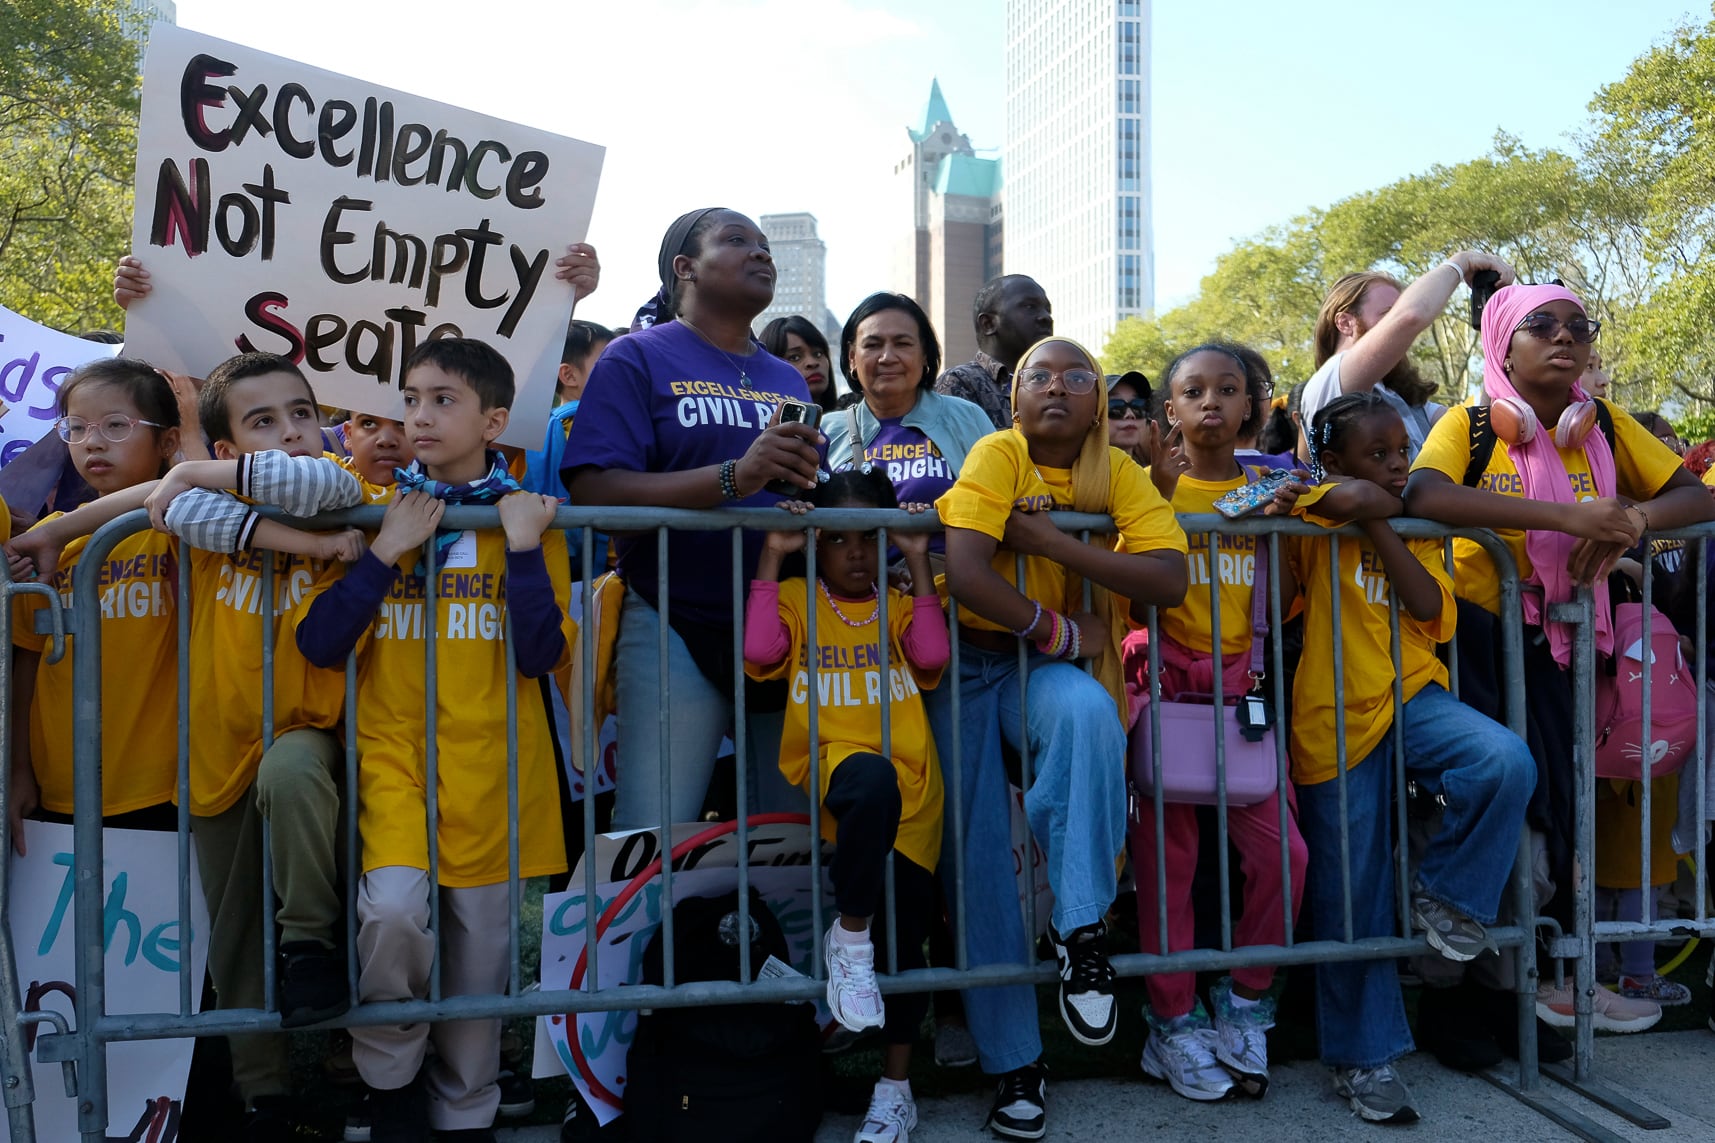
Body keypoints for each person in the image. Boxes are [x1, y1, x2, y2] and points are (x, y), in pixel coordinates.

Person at [11, 351, 371, 1137]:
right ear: (226, 445)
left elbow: (309, 485)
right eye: (263, 421)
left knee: (300, 802)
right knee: (228, 942)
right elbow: (167, 502)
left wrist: (201, 472)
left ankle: (315, 965)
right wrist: (76, 522)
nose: (290, 432)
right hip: (205, 760)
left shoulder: (349, 493)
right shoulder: (187, 522)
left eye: (302, 414)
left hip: (292, 742)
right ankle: (261, 1094)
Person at [1405, 282, 1713, 1035]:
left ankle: (1550, 983)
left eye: (1577, 325)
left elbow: (1696, 496)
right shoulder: (1471, 424)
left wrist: (1632, 515)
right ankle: (1476, 990)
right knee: (1521, 815)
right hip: (1482, 647)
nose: (1563, 336)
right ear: (1501, 344)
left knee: (1564, 820)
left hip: (1574, 648)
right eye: (1540, 325)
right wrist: (1565, 517)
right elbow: (1423, 494)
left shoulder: (1600, 423)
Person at [295, 338, 573, 1141]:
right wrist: (385, 552)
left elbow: (540, 655)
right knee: (389, 912)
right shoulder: (371, 511)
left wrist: (522, 548)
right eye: (411, 397)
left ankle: (465, 1112)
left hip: (492, 767)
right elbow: (318, 646)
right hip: (394, 758)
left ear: (492, 419)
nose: (418, 415)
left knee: (481, 952)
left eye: (441, 399)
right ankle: (389, 1084)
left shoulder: (528, 518)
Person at [936, 336, 1188, 1140]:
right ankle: (1014, 1063)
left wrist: (1048, 543)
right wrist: (1052, 627)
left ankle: (1080, 927)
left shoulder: (1114, 471)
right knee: (976, 856)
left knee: (1085, 712)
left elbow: (1169, 578)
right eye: (1037, 375)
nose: (1056, 388)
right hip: (965, 660)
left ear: (1096, 403)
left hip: (1036, 668)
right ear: (1012, 397)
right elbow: (968, 567)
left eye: (1077, 377)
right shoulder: (995, 451)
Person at [1293, 391, 1534, 1123]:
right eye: (1379, 454)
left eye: (1403, 450)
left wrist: (1375, 514)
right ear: (1333, 460)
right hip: (1331, 718)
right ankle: (1363, 1060)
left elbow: (1429, 606)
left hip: (1414, 696)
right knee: (1351, 896)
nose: (1398, 465)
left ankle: (1447, 896)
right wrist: (1354, 501)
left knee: (1503, 760)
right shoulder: (1312, 502)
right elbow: (1324, 500)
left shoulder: (1412, 518)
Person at [563, 207, 819, 834]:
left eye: (764, 245)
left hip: (779, 618)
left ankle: (777, 938)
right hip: (671, 614)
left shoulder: (786, 377)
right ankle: (639, 937)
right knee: (656, 826)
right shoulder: (635, 358)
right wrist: (736, 477)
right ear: (685, 268)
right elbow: (595, 486)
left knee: (788, 829)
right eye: (736, 241)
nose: (760, 253)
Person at [1128, 344, 1308, 1103]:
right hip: (1165, 692)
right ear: (1169, 411)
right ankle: (1169, 1025)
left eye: (1226, 390)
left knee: (1285, 857)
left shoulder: (1272, 487)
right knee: (1166, 870)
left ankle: (1242, 1006)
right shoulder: (1146, 490)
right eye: (1192, 391)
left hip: (1245, 696)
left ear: (1249, 408)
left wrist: (1288, 524)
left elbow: (1293, 592)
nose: (1210, 402)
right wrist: (1155, 494)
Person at [745, 468, 947, 1143]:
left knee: (907, 938)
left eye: (870, 539)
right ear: (815, 543)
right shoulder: (800, 598)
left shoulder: (895, 601)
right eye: (836, 540)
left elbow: (930, 655)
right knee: (867, 778)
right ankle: (849, 937)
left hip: (915, 791)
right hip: (840, 773)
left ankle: (894, 1089)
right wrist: (773, 553)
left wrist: (917, 560)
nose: (856, 553)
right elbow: (759, 650)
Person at [9, 360, 184, 851]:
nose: (93, 442)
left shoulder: (182, 526)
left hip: (166, 787)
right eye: (77, 427)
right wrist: (19, 771)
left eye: (116, 426)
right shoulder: (47, 546)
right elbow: (26, 663)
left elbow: (194, 483)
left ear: (168, 441)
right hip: (61, 788)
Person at [1301, 253, 1516, 460]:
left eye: (1396, 313)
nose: (1399, 327)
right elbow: (1410, 316)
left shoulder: (1410, 405)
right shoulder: (1331, 383)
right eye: (1387, 314)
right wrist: (1462, 262)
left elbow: (1478, 428)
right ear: (1345, 323)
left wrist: (1495, 324)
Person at [823, 291, 994, 537]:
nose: (887, 357)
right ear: (852, 358)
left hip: (951, 573)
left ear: (924, 354)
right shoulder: (826, 431)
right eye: (872, 345)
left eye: (902, 344)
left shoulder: (967, 417)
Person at [933, 275, 1054, 431]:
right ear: (988, 324)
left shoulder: (1058, 383)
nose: (1046, 317)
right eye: (1030, 307)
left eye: (1048, 310)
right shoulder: (960, 382)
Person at [523, 320, 616, 498]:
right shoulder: (585, 419)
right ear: (569, 375)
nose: (622, 372)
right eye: (610, 364)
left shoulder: (535, 427)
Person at [762, 314, 841, 412]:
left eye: (818, 354)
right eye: (795, 357)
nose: (812, 363)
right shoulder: (763, 425)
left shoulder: (849, 421)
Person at [1105, 371, 1151, 468]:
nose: (1130, 414)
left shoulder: (1155, 476)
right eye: (1116, 406)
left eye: (1137, 405)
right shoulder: (1075, 476)